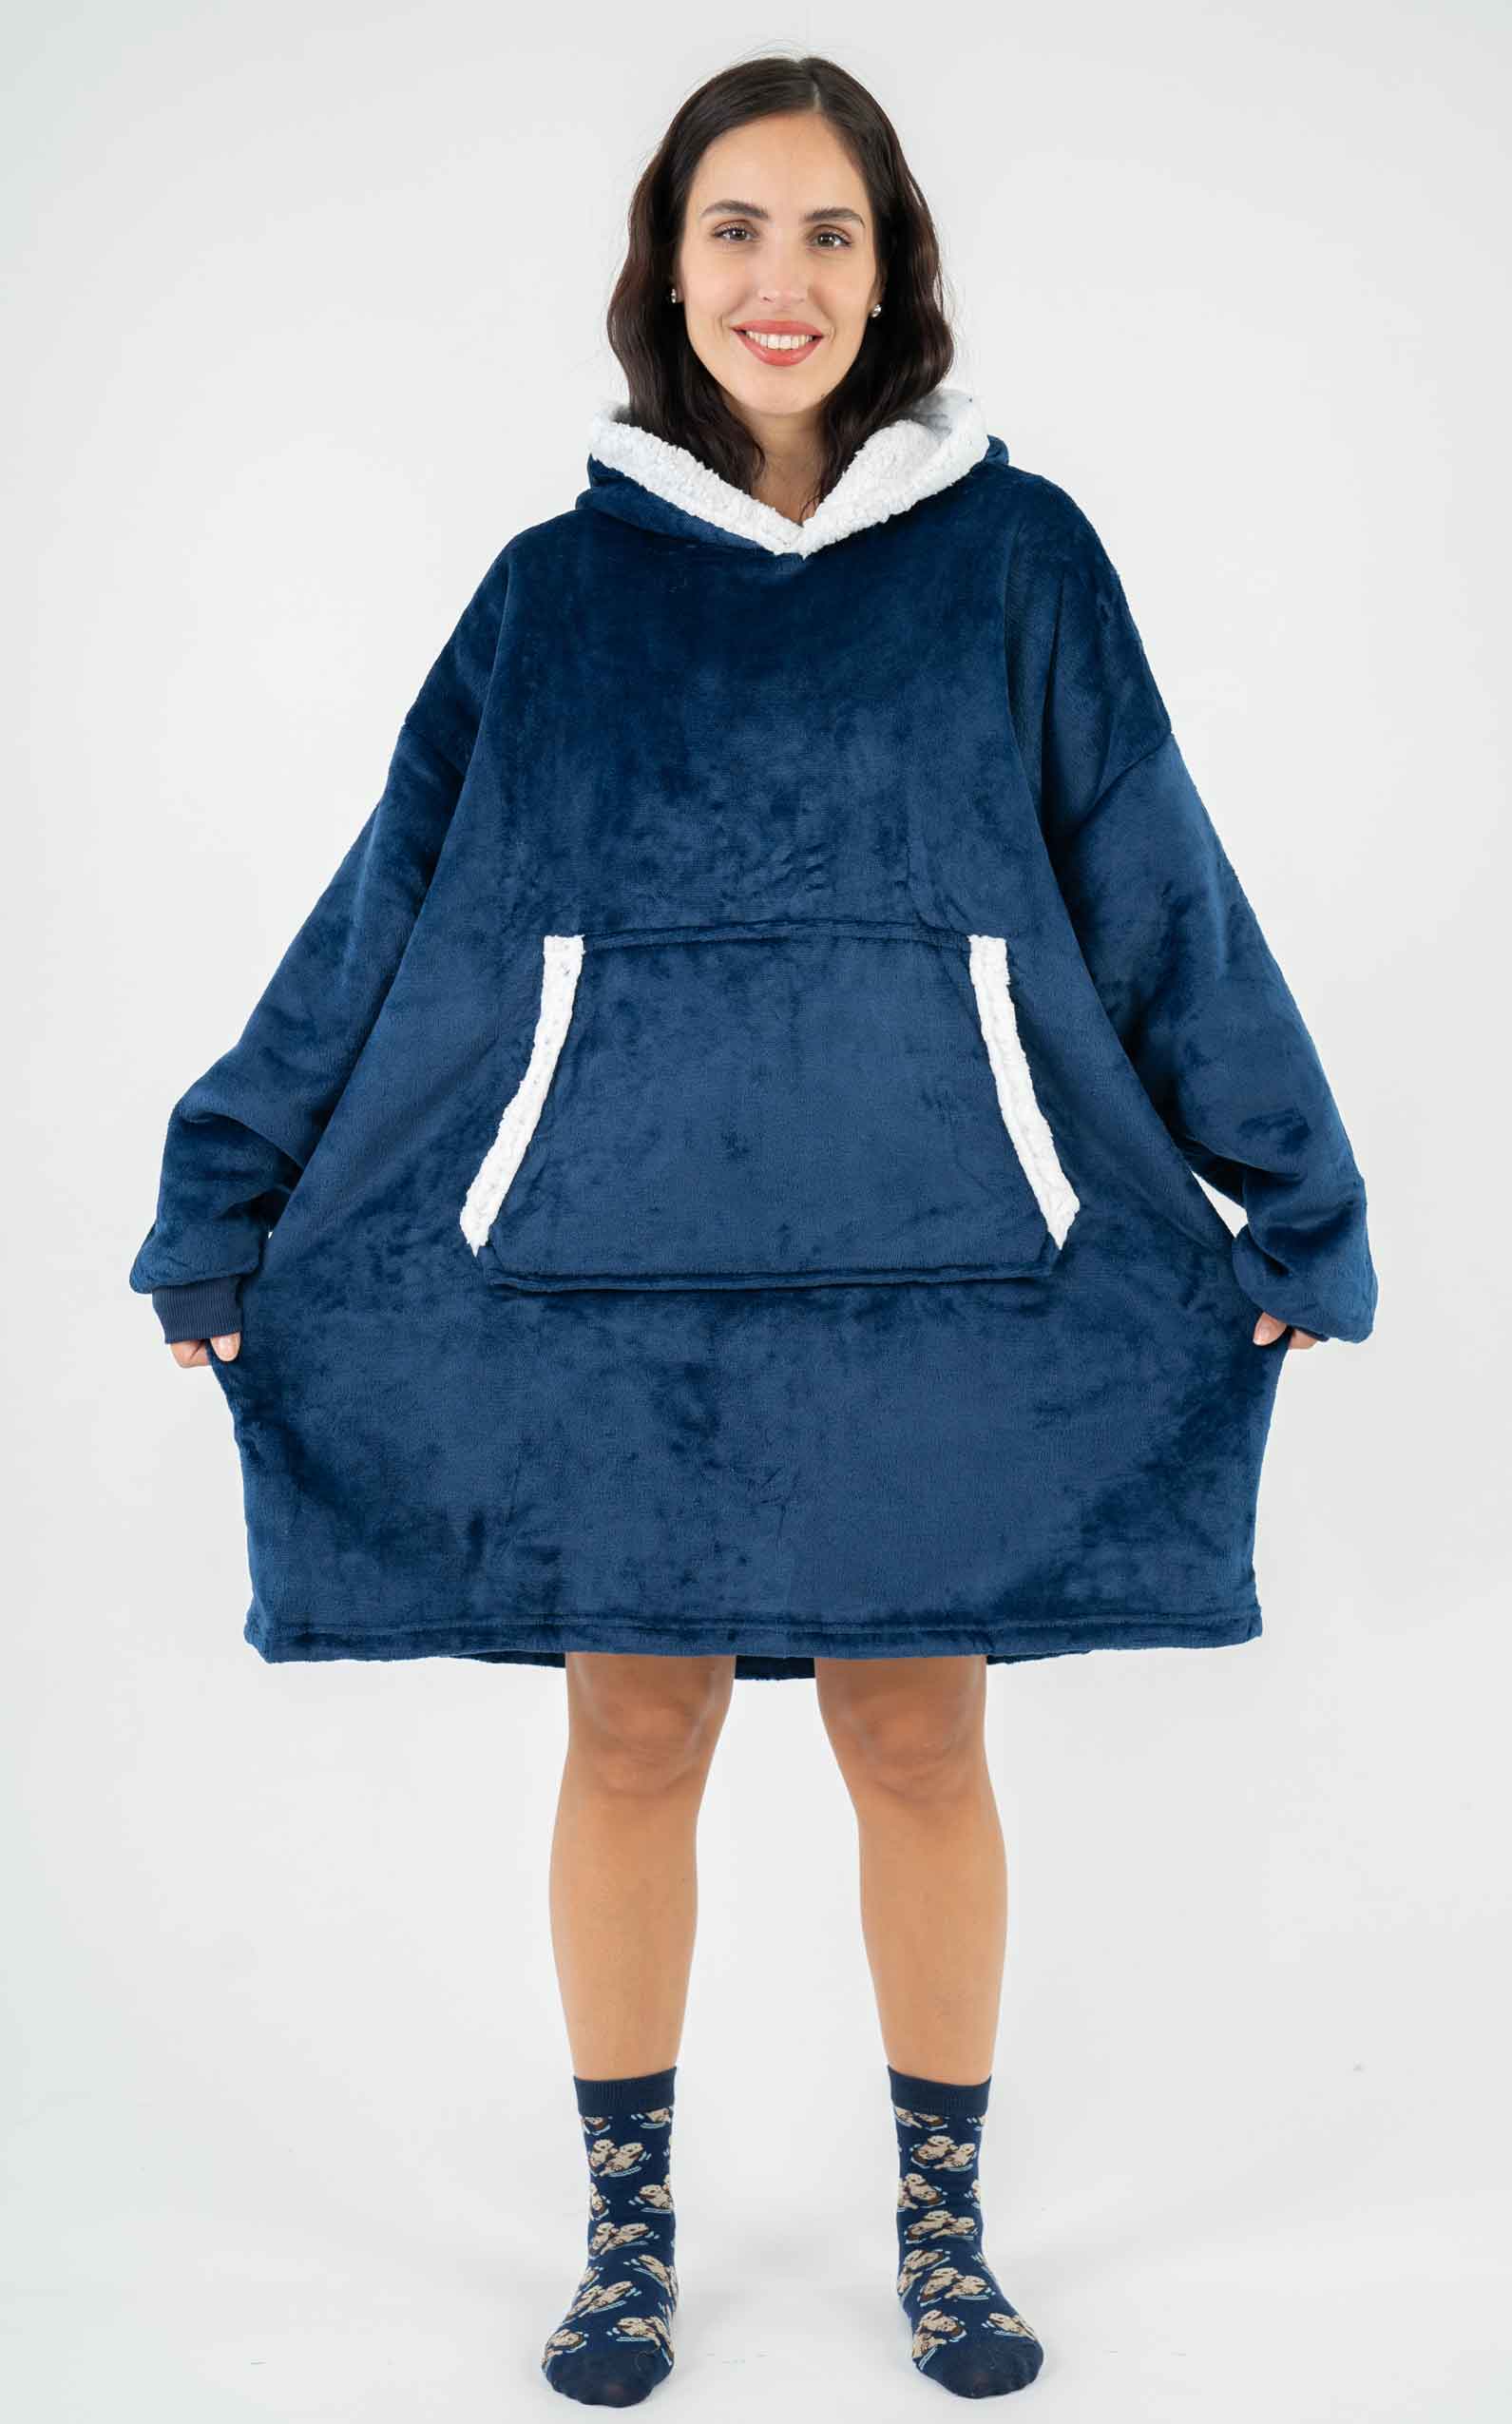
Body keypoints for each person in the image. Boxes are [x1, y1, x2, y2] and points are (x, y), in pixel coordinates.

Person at [129, 50, 1376, 2412]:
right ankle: (626, 2235)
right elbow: (391, 916)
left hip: (947, 1268)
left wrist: (1290, 1189)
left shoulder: (1017, 565)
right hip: (605, 1277)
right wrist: (231, 1193)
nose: (776, 278)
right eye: (734, 227)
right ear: (666, 262)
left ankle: (942, 2228)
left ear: (890, 272)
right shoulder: (553, 597)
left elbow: (1154, 886)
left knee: (915, 1732)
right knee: (634, 1730)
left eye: (826, 232)